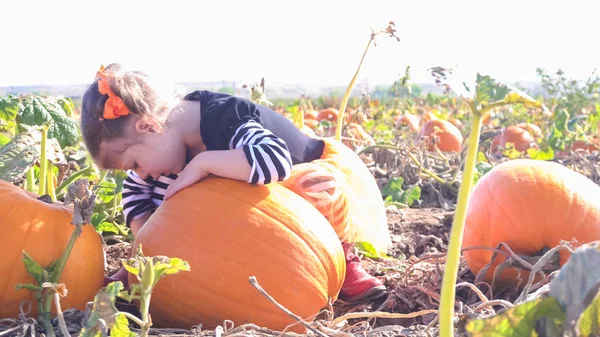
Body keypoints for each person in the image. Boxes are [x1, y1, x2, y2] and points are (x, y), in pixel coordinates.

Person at [80, 63, 387, 304]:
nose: (139, 173)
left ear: (147, 126)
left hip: (289, 182)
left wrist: (203, 163)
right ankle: (140, 266)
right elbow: (135, 189)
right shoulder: (162, 147)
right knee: (164, 187)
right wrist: (146, 245)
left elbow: (274, 162)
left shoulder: (225, 118)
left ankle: (342, 264)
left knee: (317, 188)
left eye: (134, 163)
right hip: (245, 197)